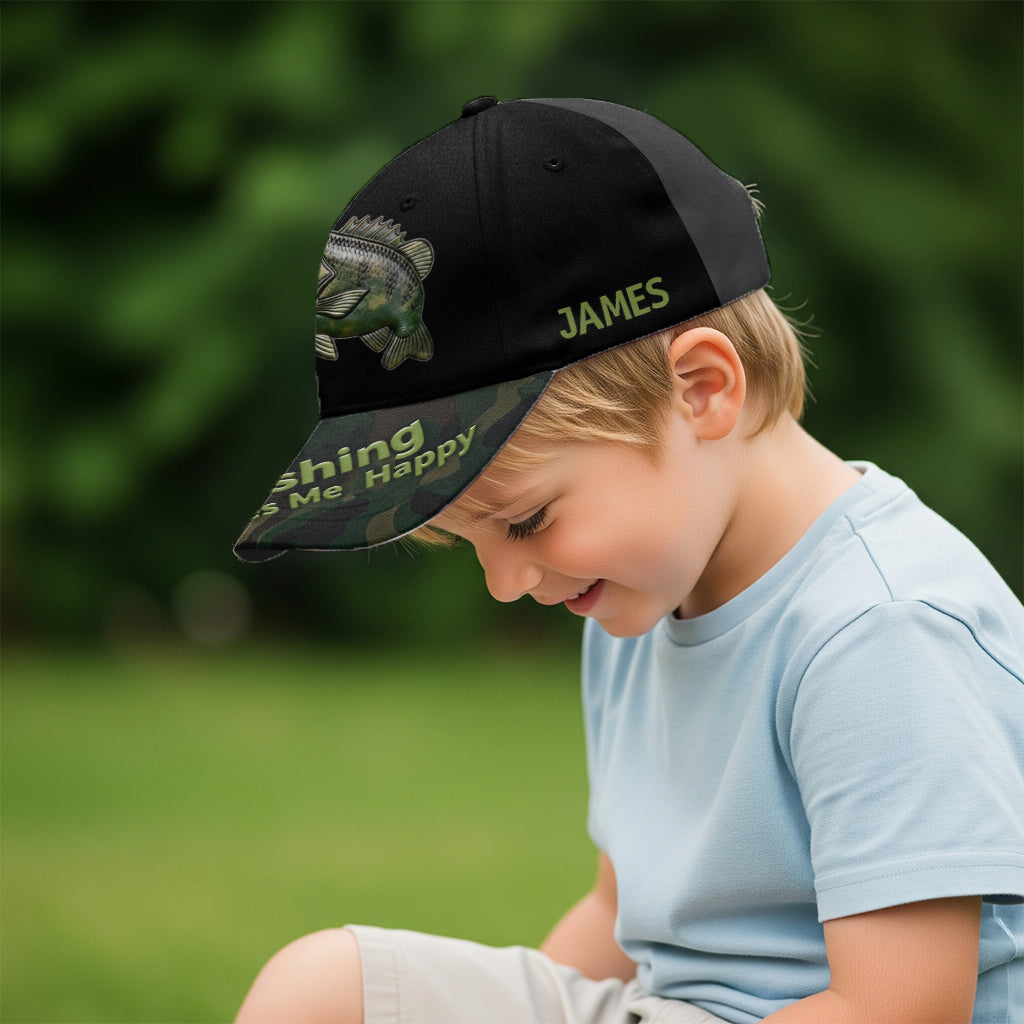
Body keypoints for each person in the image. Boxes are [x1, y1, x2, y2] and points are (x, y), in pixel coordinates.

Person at [232, 97, 1024, 1023]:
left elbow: (899, 1009)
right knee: (322, 990)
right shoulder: (634, 595)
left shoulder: (878, 628)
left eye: (524, 522)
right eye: (471, 543)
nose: (505, 583)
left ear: (701, 390)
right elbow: (620, 918)